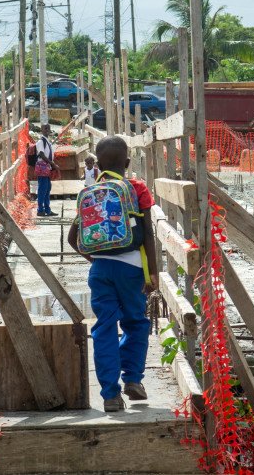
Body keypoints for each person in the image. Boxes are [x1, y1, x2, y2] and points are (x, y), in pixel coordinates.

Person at [68, 136, 158, 412]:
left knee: (104, 328)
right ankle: (132, 378)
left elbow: (72, 238)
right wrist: (152, 273)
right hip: (132, 269)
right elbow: (148, 233)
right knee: (136, 323)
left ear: (97, 164)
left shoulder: (91, 191)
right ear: (127, 162)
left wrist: (95, 259)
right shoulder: (137, 188)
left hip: (101, 271)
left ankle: (110, 395)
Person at [35, 123, 60, 217]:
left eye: (48, 129)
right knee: (42, 189)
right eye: (45, 128)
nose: (47, 130)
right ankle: (40, 210)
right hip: (42, 168)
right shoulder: (41, 142)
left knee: (47, 188)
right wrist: (52, 164)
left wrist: (51, 164)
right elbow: (41, 154)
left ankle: (47, 210)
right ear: (41, 130)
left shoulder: (47, 142)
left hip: (47, 168)